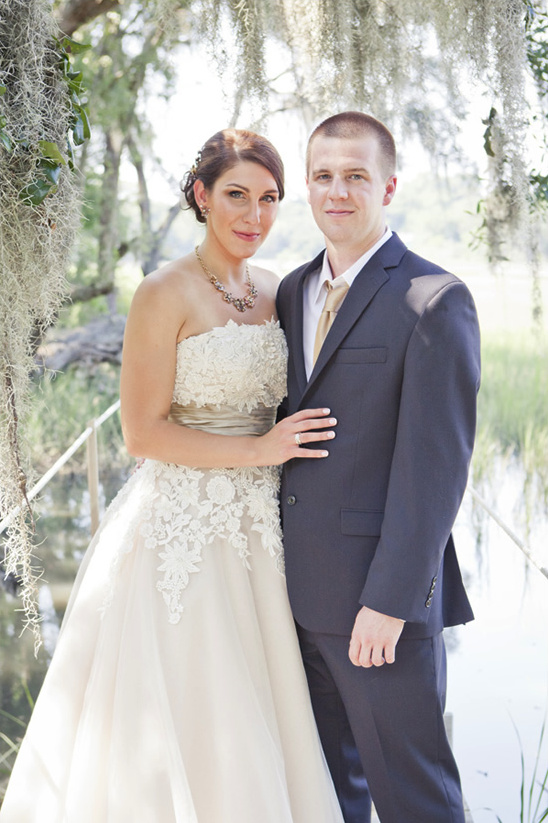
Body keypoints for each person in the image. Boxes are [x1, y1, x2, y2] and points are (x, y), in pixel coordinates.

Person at [0, 129, 345, 823]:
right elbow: (140, 432)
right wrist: (260, 452)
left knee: (261, 705)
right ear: (201, 196)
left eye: (271, 199)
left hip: (261, 535)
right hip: (181, 533)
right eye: (237, 196)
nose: (255, 215)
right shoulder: (164, 293)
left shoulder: (280, 292)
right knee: (194, 701)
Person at [276, 111, 481, 823]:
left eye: (356, 176)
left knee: (415, 799)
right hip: (289, 603)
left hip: (377, 610)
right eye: (324, 175)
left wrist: (389, 602)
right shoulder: (289, 291)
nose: (338, 190)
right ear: (306, 185)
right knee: (328, 798)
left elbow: (436, 470)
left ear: (388, 185)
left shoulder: (434, 299)